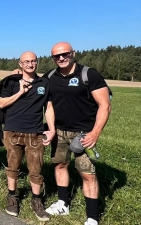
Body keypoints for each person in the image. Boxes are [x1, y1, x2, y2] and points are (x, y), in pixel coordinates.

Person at [44, 42, 111, 225]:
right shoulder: (50, 76)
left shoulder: (89, 74)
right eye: (56, 56)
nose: (61, 58)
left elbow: (105, 105)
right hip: (59, 132)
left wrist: (95, 133)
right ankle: (63, 204)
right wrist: (51, 129)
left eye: (64, 54)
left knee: (87, 174)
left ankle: (92, 217)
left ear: (73, 53)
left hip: (83, 134)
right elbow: (48, 105)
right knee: (60, 166)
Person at [0, 51, 55, 221]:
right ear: (20, 64)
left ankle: (37, 201)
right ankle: (12, 197)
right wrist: (20, 92)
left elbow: (49, 107)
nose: (30, 64)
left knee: (36, 169)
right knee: (12, 166)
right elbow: (1, 103)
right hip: (13, 131)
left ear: (37, 62)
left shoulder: (45, 82)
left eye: (33, 61)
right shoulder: (12, 82)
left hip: (36, 132)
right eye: (26, 61)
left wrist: (51, 129)